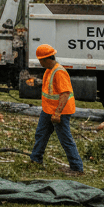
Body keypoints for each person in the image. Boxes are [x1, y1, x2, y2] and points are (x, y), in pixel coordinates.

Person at [29, 44, 84, 175]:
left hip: (60, 112)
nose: (40, 63)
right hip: (48, 110)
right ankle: (36, 159)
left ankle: (77, 168)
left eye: (40, 60)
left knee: (65, 139)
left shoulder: (59, 72)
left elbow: (65, 93)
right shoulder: (50, 70)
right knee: (41, 134)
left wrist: (58, 113)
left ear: (46, 59)